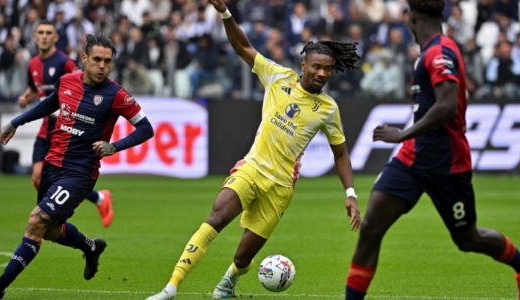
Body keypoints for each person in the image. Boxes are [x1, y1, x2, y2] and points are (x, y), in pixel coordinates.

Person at [147, 0, 362, 299]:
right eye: (317, 67)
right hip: (252, 168)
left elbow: (340, 153)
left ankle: (227, 284)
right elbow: (243, 47)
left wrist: (350, 194)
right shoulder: (278, 77)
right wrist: (225, 12)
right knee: (216, 218)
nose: (323, 74)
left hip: (281, 186)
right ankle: (171, 288)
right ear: (304, 65)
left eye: (328, 69)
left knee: (243, 258)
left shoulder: (328, 109)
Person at [344, 1, 520, 299]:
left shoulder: (439, 52)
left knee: (468, 239)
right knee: (370, 228)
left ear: (412, 18)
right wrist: (407, 139)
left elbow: (446, 106)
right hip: (411, 159)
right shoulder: (429, 52)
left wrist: (402, 133)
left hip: (447, 162)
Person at [0, 34, 154, 299]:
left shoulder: (116, 94)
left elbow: (146, 128)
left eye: (107, 61)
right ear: (84, 58)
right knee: (50, 231)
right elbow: (48, 105)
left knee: (36, 221)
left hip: (80, 173)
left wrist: (114, 146)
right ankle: (91, 247)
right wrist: (16, 122)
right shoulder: (66, 82)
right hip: (52, 164)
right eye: (96, 59)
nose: (102, 66)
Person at [18, 20, 115, 228]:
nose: (44, 36)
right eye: (40, 32)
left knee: (67, 175)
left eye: (48, 33)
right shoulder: (33, 64)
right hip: (45, 128)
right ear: (34, 37)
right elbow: (37, 90)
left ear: (56, 38)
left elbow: (81, 89)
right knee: (37, 176)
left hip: (67, 129)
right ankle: (51, 216)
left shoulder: (65, 63)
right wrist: (27, 97)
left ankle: (46, 221)